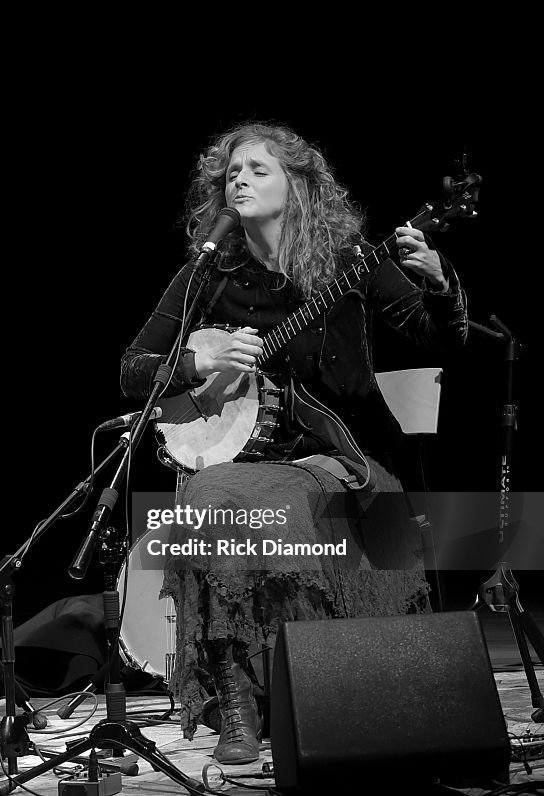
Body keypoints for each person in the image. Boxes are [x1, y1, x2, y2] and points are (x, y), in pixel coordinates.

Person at [120, 122, 468, 765]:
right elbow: (134, 368)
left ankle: (293, 695)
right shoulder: (208, 274)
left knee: (222, 497)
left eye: (259, 169)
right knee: (217, 492)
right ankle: (238, 698)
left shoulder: (351, 260)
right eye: (231, 173)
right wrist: (201, 364)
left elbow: (442, 343)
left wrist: (442, 288)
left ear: (299, 186)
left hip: (344, 455)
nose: (240, 180)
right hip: (247, 460)